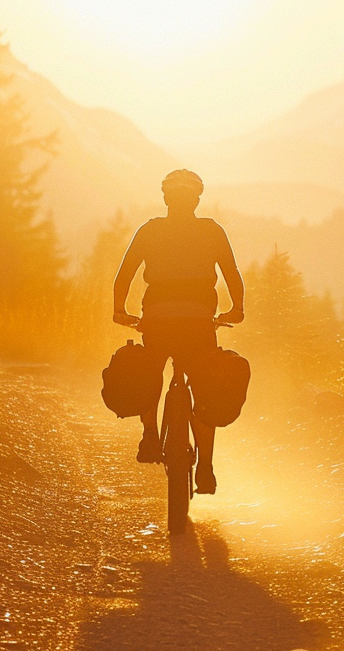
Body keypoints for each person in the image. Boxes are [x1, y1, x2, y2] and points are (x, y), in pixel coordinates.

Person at [112, 169, 244, 494]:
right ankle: (206, 469)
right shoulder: (212, 231)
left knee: (149, 373)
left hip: (157, 319)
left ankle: (150, 437)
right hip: (199, 322)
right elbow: (232, 274)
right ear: (197, 199)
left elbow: (124, 275)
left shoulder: (150, 230)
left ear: (165, 198)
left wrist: (119, 311)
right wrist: (236, 310)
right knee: (204, 391)